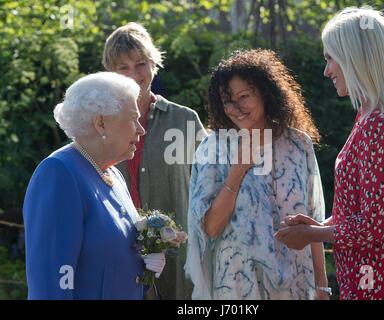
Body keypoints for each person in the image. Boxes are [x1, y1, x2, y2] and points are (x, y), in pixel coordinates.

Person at [275, 7, 384, 300]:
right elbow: (371, 208)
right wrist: (322, 226)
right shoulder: (377, 116)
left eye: (330, 58)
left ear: (355, 57)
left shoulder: (381, 124)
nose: (326, 70)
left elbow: (373, 227)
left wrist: (311, 236)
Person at [185, 49, 329, 300]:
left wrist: (322, 286)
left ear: (265, 93)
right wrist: (237, 172)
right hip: (237, 287)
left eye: (244, 96)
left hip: (295, 285)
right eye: (227, 100)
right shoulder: (213, 148)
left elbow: (313, 220)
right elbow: (209, 228)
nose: (235, 108)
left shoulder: (299, 144)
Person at [23, 72, 166, 299]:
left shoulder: (112, 174)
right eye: (132, 118)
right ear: (101, 123)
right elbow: (50, 284)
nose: (141, 129)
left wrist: (145, 266)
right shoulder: (58, 173)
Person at [102, 22, 206, 300]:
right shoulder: (98, 125)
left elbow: (210, 186)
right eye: (123, 67)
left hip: (178, 259)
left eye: (141, 64)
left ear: (154, 64)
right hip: (118, 252)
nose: (134, 75)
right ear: (109, 74)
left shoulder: (184, 121)